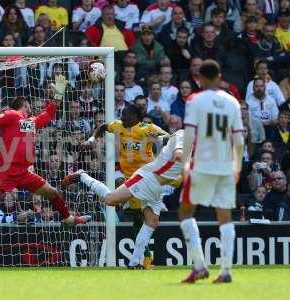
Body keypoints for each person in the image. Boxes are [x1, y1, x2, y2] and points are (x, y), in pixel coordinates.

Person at [0, 75, 90, 231]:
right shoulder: (13, 115)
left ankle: (68, 219)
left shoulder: (29, 123)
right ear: (24, 105)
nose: (31, 109)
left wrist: (59, 94)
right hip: (6, 173)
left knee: (53, 192)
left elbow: (48, 114)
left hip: (24, 173)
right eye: (29, 106)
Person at [63, 130, 184, 268]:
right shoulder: (185, 136)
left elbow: (165, 140)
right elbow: (178, 154)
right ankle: (81, 175)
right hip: (147, 178)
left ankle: (134, 263)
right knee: (110, 200)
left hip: (157, 186)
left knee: (152, 221)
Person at [179, 60, 244, 283]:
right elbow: (239, 140)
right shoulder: (233, 102)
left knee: (186, 212)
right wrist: (237, 168)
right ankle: (225, 271)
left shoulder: (195, 100)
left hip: (202, 165)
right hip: (226, 165)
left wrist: (186, 162)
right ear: (219, 76)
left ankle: (199, 266)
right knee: (225, 218)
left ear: (201, 79)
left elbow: (189, 135)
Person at [82, 104, 169, 269]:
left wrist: (157, 140)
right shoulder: (118, 126)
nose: (122, 117)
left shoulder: (146, 128)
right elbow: (102, 127)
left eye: (126, 114)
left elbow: (168, 136)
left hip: (146, 178)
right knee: (138, 217)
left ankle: (143, 259)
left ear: (136, 116)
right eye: (121, 113)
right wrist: (91, 139)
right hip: (131, 178)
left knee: (144, 216)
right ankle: (143, 259)